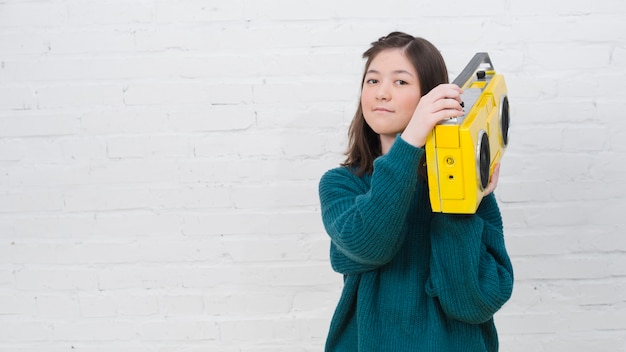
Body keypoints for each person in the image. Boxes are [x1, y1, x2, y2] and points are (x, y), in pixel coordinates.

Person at [318, 31, 514, 351]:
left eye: (400, 82)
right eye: (372, 81)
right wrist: (411, 141)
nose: (381, 93)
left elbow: (473, 303)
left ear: (431, 97)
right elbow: (370, 244)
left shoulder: (467, 191)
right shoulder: (342, 185)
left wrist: (461, 197)